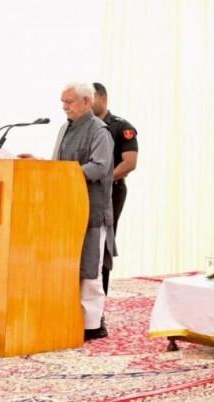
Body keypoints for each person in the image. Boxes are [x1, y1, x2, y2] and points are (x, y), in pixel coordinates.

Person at [50, 82, 115, 341]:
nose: (64, 106)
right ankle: (67, 317)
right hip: (66, 211)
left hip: (92, 212)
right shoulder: (64, 129)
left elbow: (99, 167)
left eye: (69, 101)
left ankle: (93, 325)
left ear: (87, 102)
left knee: (89, 270)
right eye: (63, 101)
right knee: (67, 267)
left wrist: (65, 173)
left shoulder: (100, 131)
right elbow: (57, 166)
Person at [92, 82, 138, 295]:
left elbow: (129, 163)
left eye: (90, 98)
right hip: (85, 191)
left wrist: (103, 178)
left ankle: (100, 299)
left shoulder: (121, 127)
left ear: (102, 98)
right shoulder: (82, 127)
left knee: (103, 245)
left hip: (111, 192)